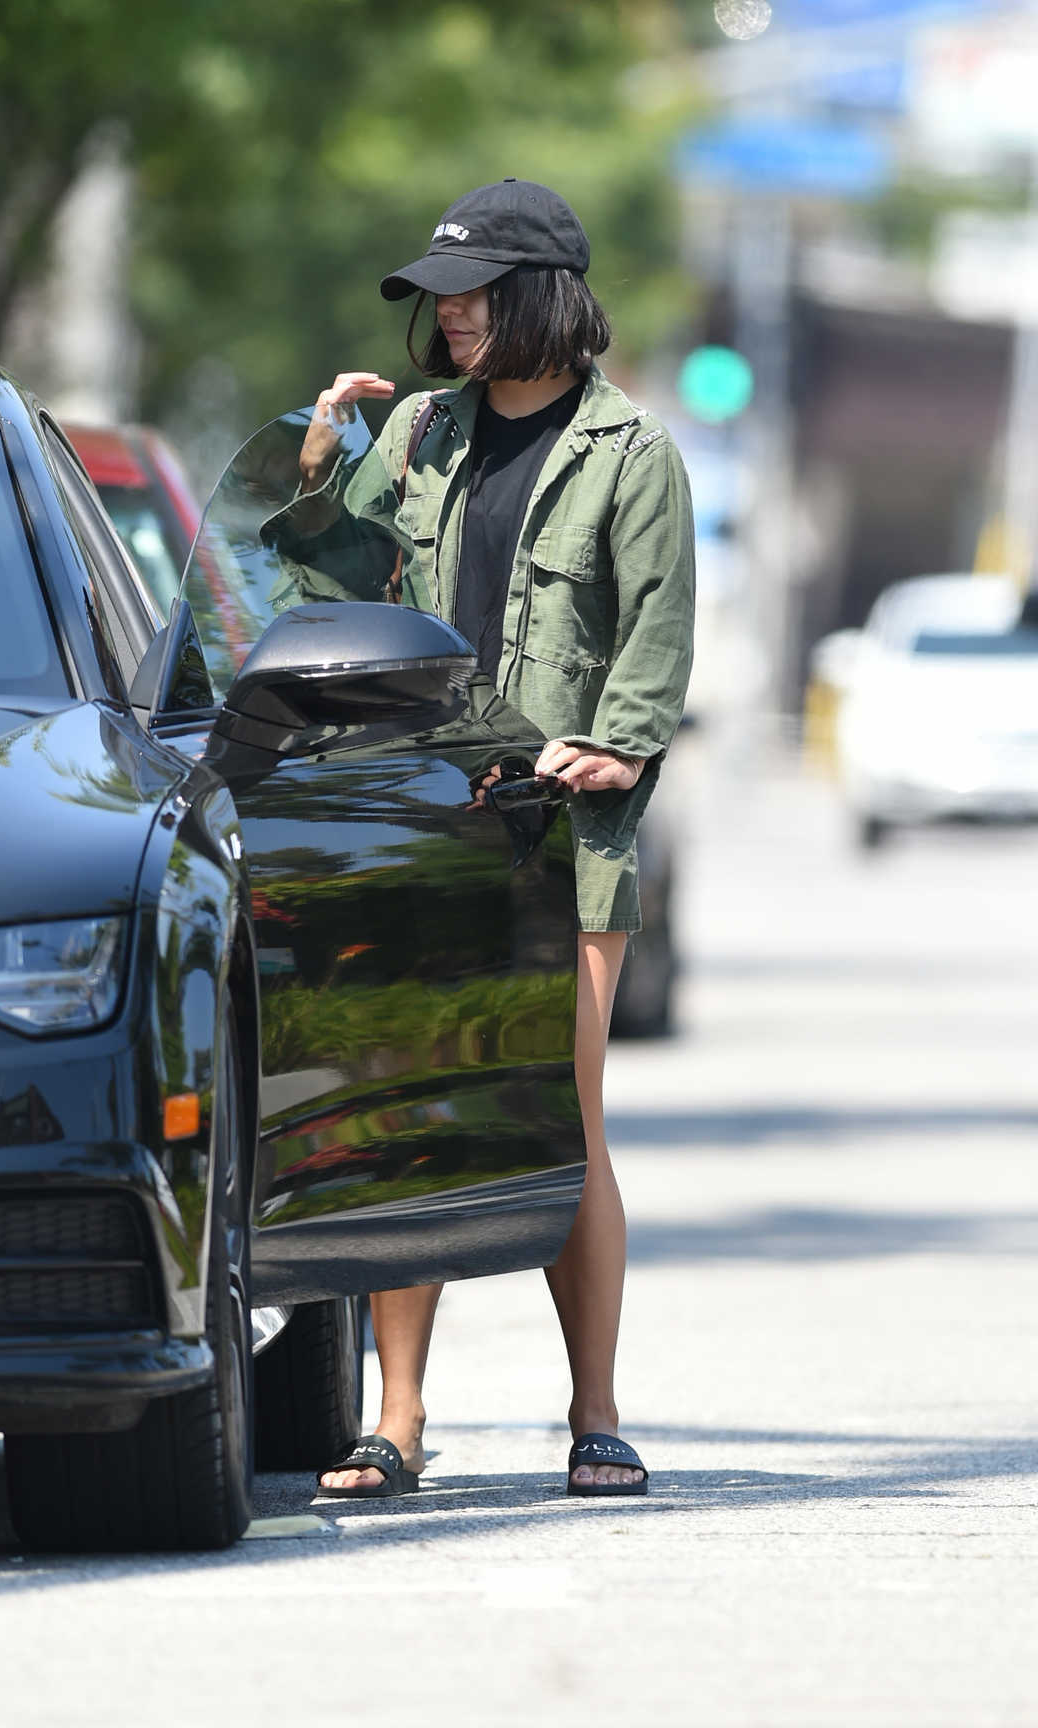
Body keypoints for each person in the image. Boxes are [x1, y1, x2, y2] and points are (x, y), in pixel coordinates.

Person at [307, 178, 695, 1498]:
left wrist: (622, 744)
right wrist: (316, 467)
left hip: (561, 839)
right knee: (408, 1122)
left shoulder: (627, 451)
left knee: (559, 1123)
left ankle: (593, 1413)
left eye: (471, 293)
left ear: (541, 295)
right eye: (439, 298)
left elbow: (654, 627)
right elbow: (327, 594)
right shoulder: (415, 434)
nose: (450, 316)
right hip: (420, 825)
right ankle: (396, 1420)